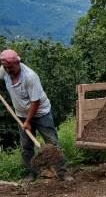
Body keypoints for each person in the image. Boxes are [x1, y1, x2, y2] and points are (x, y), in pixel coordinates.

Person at [0, 49, 73, 183]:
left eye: (10, 67)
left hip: (41, 113)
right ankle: (32, 173)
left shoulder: (30, 76)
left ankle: (63, 172)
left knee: (52, 143)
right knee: (26, 145)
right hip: (21, 114)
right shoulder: (4, 70)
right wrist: (24, 119)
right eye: (6, 67)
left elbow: (36, 102)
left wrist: (28, 121)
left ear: (18, 62)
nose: (8, 70)